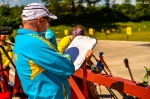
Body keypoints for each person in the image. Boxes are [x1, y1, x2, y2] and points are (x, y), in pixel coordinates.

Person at [14, 3, 93, 99]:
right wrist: (76, 56)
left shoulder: (21, 38)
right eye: (48, 20)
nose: (49, 24)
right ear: (40, 20)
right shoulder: (34, 42)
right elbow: (67, 67)